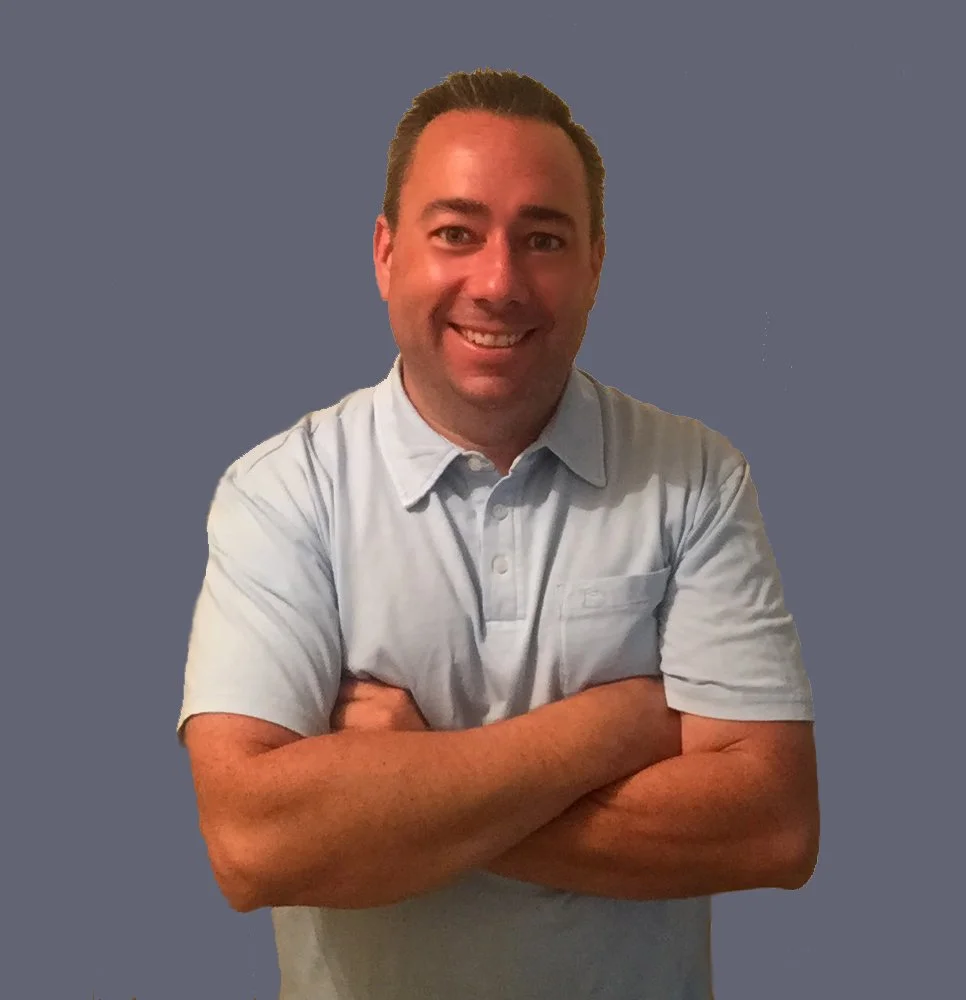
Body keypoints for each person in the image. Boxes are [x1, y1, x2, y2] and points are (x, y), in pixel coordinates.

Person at [177, 68, 819, 1000]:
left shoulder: (698, 478)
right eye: (456, 234)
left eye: (544, 239)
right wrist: (614, 727)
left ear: (596, 263)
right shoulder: (284, 492)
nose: (499, 280)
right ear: (386, 253)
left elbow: (773, 828)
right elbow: (252, 844)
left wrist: (400, 784)